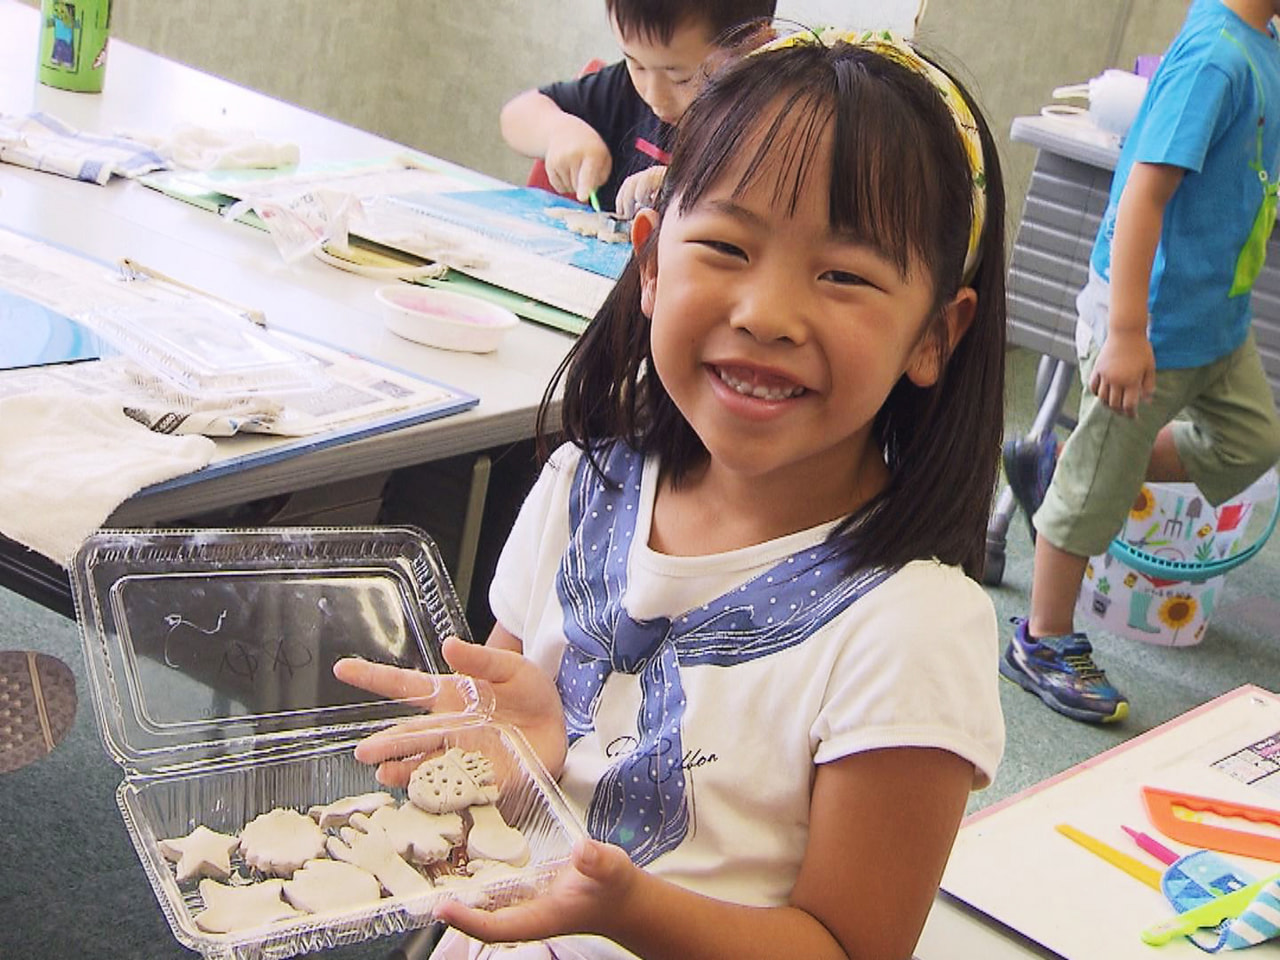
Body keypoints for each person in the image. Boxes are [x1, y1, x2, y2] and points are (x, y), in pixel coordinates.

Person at [338, 27, 1008, 960]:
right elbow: (504, 771)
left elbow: (850, 948)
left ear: (936, 334)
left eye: (844, 274)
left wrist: (633, 912)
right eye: (728, 247)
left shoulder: (912, 627)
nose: (767, 314)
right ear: (652, 262)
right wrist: (515, 756)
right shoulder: (586, 484)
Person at [1001, 0, 1280, 725]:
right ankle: (1042, 638)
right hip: (1148, 326)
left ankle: (1063, 466)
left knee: (1252, 442)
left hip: (1216, 321)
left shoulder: (1261, 45)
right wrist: (1126, 331)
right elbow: (1142, 197)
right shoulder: (1215, 57)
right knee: (1096, 490)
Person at [499, 0, 775, 216]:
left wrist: (686, 191)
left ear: (756, 47)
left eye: (681, 78)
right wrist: (557, 131)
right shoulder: (623, 91)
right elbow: (516, 115)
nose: (655, 96)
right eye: (637, 64)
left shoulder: (776, 122)